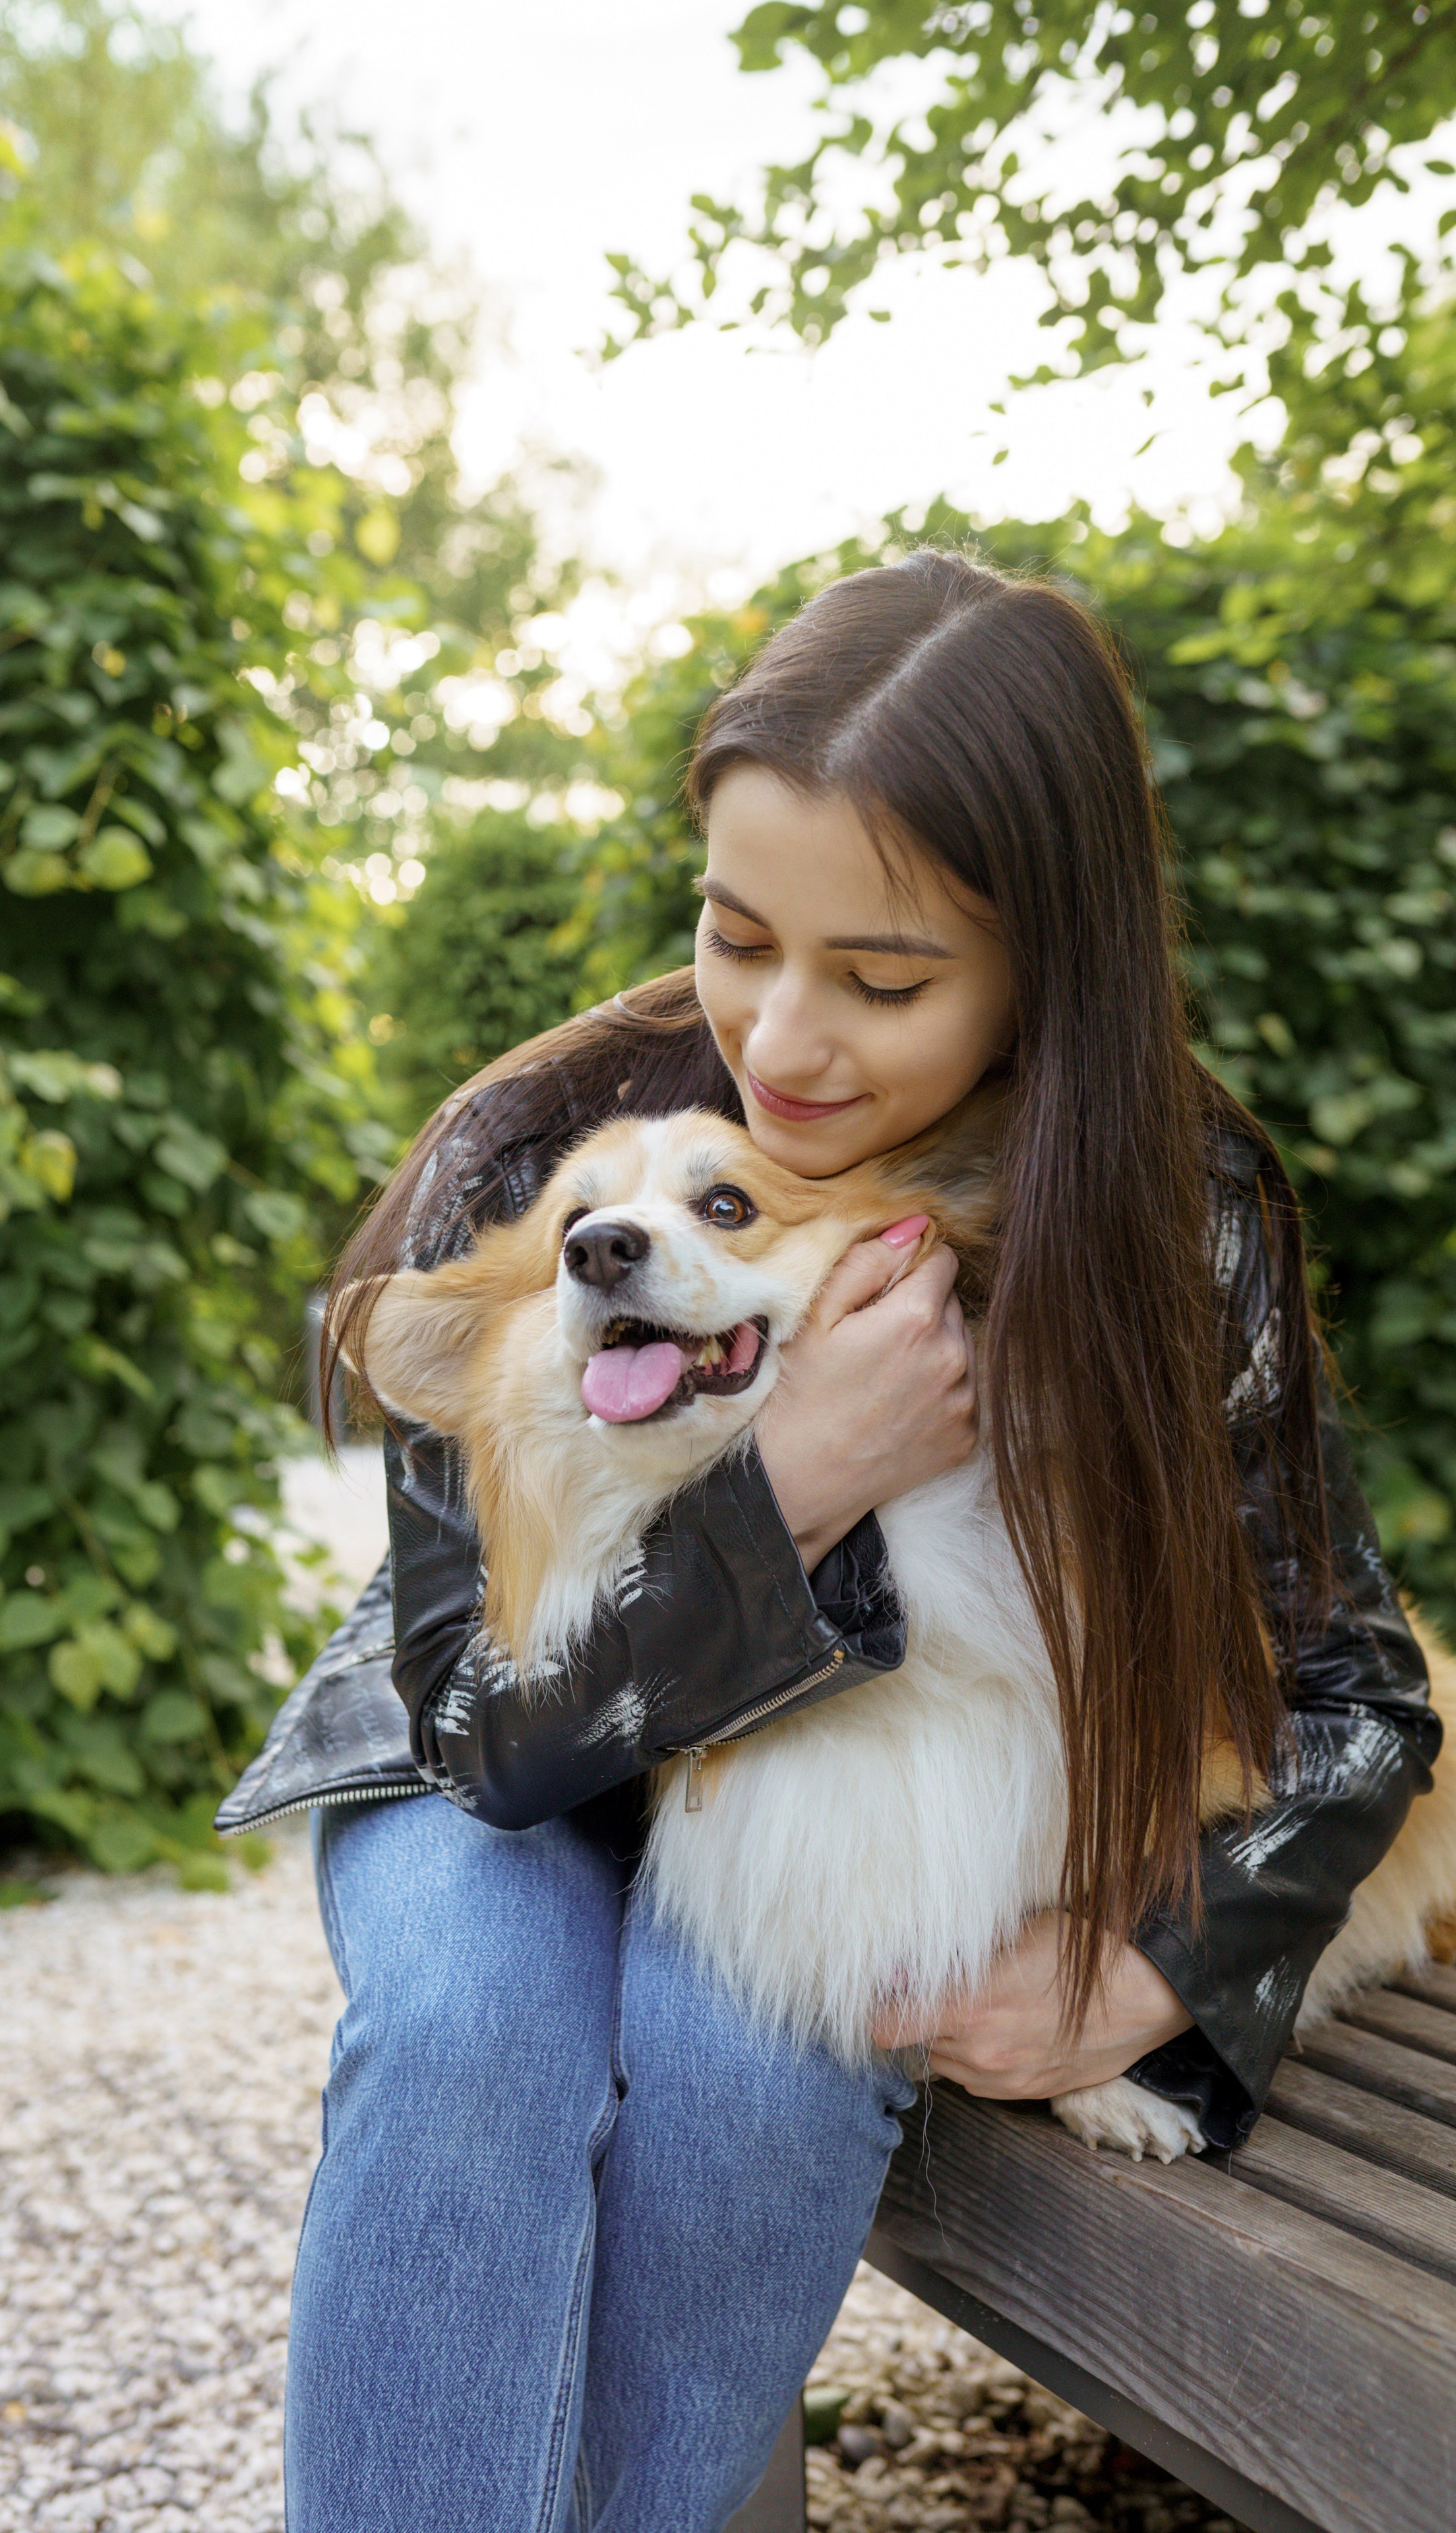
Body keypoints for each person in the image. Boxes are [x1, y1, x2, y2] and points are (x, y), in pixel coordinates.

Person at [218, 551, 1439, 2533]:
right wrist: (797, 1480)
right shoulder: (548, 1149)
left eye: (880, 981)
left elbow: (1356, 1689)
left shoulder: (1172, 1207)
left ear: (1045, 966)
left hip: (832, 1782)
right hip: (517, 1761)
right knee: (467, 2027)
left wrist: (1155, 1971)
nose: (779, 1040)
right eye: (734, 934)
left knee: (761, 2051)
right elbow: (496, 1732)